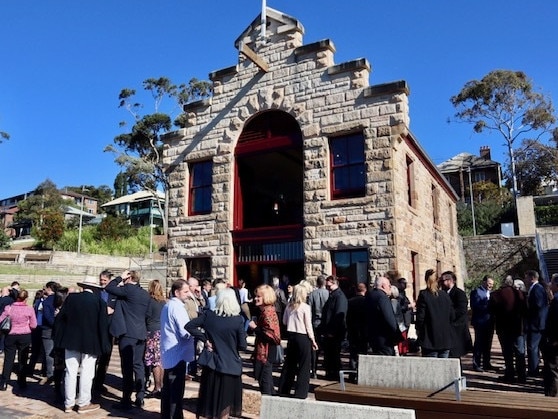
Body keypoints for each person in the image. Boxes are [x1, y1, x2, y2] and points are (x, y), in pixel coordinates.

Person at [185, 287, 247, 418]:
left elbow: (189, 326)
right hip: (230, 365)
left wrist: (205, 339)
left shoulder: (209, 316)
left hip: (212, 364)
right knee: (226, 403)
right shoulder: (237, 320)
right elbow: (242, 345)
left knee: (210, 399)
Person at [53, 276, 111, 414]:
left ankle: (68, 403)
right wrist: (105, 344)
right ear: (95, 288)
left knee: (70, 371)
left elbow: (61, 318)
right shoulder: (99, 302)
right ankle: (84, 402)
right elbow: (102, 326)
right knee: (87, 372)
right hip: (91, 342)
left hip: (70, 340)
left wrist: (58, 337)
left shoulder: (71, 299)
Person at [105, 269, 150, 410]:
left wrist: (120, 277)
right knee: (138, 366)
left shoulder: (128, 289)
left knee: (127, 367)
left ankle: (126, 400)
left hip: (128, 334)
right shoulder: (144, 293)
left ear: (129, 277)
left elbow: (109, 288)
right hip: (141, 333)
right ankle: (140, 396)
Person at [160, 279, 196, 419]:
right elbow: (184, 331)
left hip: (170, 353)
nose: (188, 294)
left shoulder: (168, 306)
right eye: (185, 291)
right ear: (177, 292)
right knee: (175, 391)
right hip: (177, 354)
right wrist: (196, 332)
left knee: (168, 390)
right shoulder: (178, 307)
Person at [279, 284, 318, 399]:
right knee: (304, 366)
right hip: (303, 336)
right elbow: (308, 326)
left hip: (291, 336)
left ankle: (284, 389)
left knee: (289, 364)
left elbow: (284, 322)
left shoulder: (288, 307)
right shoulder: (305, 307)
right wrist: (313, 340)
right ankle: (300, 392)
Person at [489, 276, 526, 383]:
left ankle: (510, 375)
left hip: (503, 328)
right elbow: (525, 310)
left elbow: (491, 311)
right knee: (520, 352)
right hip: (518, 327)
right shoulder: (520, 294)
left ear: (503, 283)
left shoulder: (496, 294)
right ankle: (521, 376)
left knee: (507, 353)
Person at [0, 289, 37, 391]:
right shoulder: (29, 309)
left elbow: (1, 320)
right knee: (23, 359)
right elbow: (34, 324)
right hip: (24, 335)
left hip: (11, 334)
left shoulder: (9, 308)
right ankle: (22, 381)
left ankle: (4, 381)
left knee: (8, 359)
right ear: (26, 298)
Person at [248, 284, 281, 395]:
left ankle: (269, 406)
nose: (256, 298)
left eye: (259, 296)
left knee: (265, 382)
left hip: (266, 352)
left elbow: (271, 336)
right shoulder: (264, 311)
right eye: (255, 296)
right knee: (266, 381)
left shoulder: (268, 312)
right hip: (264, 351)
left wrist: (255, 328)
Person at [416, 269, 454, 358]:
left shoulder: (423, 295)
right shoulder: (445, 295)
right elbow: (452, 315)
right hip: (445, 339)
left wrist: (419, 330)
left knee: (430, 369)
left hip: (429, 339)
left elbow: (420, 317)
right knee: (443, 368)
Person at [319, 275, 348, 380]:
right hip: (329, 332)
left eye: (329, 286)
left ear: (335, 283)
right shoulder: (333, 296)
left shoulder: (339, 297)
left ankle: (335, 376)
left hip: (335, 333)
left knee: (334, 356)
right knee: (330, 356)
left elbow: (339, 315)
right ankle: (330, 374)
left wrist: (332, 331)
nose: (327, 288)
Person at [441, 271, 472, 360]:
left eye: (445, 280)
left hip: (457, 328)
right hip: (447, 329)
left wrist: (449, 316)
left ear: (451, 280)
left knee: (455, 355)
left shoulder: (459, 293)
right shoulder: (442, 293)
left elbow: (461, 311)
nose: (443, 283)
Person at [93, 270, 116, 394]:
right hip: (96, 329)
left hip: (109, 329)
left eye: (104, 280)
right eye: (101, 280)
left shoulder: (114, 292)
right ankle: (90, 380)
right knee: (94, 357)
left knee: (105, 357)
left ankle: (99, 382)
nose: (102, 282)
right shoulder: (96, 292)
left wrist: (113, 310)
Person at [365, 277, 400, 356]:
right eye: (389, 285)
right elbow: (389, 317)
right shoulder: (382, 297)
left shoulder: (369, 295)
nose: (390, 288)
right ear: (383, 286)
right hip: (384, 338)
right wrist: (397, 335)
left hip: (372, 335)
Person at [525, 269, 549, 378]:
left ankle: (533, 370)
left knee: (532, 348)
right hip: (538, 324)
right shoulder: (535, 288)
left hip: (536, 325)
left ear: (532, 278)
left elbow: (539, 305)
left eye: (526, 277)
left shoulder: (537, 288)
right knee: (539, 347)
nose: (525, 280)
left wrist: (528, 309)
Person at [144, 279, 166, 399]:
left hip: (152, 332)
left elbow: (146, 316)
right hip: (162, 332)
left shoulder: (150, 302)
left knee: (155, 362)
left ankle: (157, 387)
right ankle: (161, 385)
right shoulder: (164, 302)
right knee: (161, 360)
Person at [470, 275, 495, 372]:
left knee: (488, 344)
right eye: (489, 284)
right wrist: (489, 306)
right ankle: (476, 364)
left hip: (490, 322)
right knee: (479, 344)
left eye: (492, 284)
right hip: (480, 322)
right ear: (484, 282)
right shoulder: (476, 292)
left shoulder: (491, 293)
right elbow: (475, 306)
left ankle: (486, 363)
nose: (490, 286)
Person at [37, 281, 60, 385]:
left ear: (49, 288)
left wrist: (53, 323)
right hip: (59, 329)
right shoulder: (60, 298)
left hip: (48, 329)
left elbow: (47, 316)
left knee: (48, 354)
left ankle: (50, 374)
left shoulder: (46, 302)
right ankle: (57, 373)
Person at [308, 275, 329, 378]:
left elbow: (309, 311)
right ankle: (327, 369)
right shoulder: (329, 294)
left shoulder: (312, 295)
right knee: (327, 348)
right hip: (325, 323)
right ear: (324, 283)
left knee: (315, 348)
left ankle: (314, 370)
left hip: (315, 323)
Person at [346, 282, 368, 372]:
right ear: (365, 290)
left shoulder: (350, 301)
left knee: (353, 354)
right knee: (363, 352)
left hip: (352, 330)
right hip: (363, 331)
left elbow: (347, 317)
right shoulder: (367, 301)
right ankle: (362, 372)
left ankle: (352, 372)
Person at [543, 273, 558, 396]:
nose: (550, 285)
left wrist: (554, 340)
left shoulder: (557, 300)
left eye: (552, 283)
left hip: (555, 343)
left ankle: (552, 397)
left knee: (553, 370)